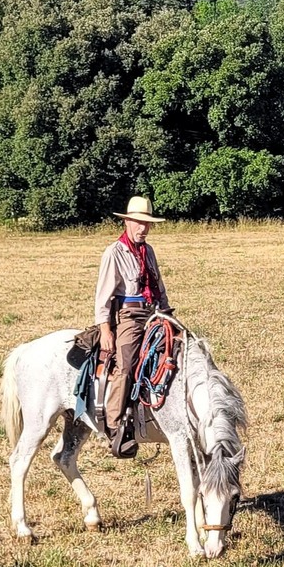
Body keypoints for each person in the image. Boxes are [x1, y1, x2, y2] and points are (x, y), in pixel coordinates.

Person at [93, 195, 170, 457]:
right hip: (129, 317)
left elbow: (159, 287)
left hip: (154, 313)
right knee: (125, 363)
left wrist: (167, 315)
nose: (143, 228)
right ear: (127, 222)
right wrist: (105, 330)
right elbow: (103, 296)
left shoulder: (148, 251)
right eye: (138, 222)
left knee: (177, 350)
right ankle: (114, 425)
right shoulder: (114, 252)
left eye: (147, 224)